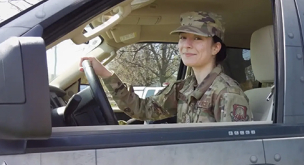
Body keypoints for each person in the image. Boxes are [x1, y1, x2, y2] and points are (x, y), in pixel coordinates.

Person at [80, 11, 253, 123]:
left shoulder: (228, 95)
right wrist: (105, 74)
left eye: (198, 38)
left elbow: (236, 153)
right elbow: (142, 109)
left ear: (216, 47)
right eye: (183, 37)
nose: (187, 44)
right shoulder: (183, 88)